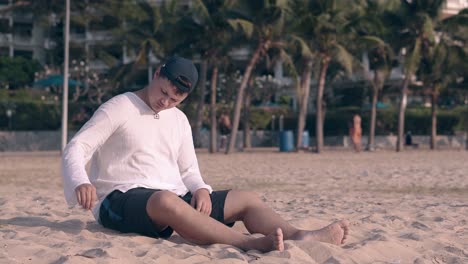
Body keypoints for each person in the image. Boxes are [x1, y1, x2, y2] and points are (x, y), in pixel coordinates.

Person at [62, 56, 349, 253]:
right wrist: (80, 181)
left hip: (170, 197)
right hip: (120, 199)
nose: (165, 102)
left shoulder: (178, 119)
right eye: (163, 92)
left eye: (175, 99)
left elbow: (188, 169)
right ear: (157, 72)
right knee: (166, 200)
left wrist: (199, 188)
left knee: (245, 197)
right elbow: (77, 147)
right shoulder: (119, 107)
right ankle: (246, 244)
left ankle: (300, 235)